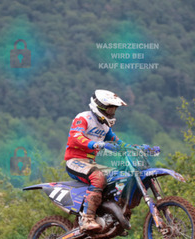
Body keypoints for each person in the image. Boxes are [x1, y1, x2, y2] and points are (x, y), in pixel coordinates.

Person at [64, 89, 157, 231]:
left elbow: (120, 144)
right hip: (75, 160)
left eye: (114, 109)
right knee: (98, 177)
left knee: (120, 176)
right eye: (109, 109)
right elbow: (76, 136)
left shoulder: (105, 127)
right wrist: (96, 144)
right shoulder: (83, 118)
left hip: (91, 162)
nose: (111, 112)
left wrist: (139, 148)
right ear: (99, 106)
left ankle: (111, 212)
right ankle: (87, 219)